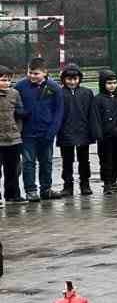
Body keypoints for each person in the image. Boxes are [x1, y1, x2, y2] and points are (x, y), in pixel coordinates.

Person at [16, 59, 63, 201]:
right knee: (28, 162)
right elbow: (15, 106)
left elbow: (59, 111)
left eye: (36, 73)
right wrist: (22, 113)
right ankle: (31, 190)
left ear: (45, 73)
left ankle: (46, 189)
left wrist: (52, 131)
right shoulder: (20, 86)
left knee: (46, 161)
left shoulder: (54, 88)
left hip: (46, 132)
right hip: (28, 133)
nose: (32, 76)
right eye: (30, 72)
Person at [56, 64, 99, 195]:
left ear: (79, 79)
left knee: (84, 160)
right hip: (65, 132)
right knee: (67, 161)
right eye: (69, 79)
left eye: (75, 79)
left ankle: (85, 184)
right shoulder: (59, 93)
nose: (72, 82)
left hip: (83, 132)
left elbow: (92, 114)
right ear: (64, 79)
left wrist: (93, 131)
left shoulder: (87, 93)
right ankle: (67, 186)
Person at [0, 67, 22, 203]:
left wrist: (17, 130)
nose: (7, 83)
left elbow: (19, 114)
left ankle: (13, 195)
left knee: (13, 169)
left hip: (13, 139)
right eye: (3, 80)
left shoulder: (15, 94)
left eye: (9, 80)